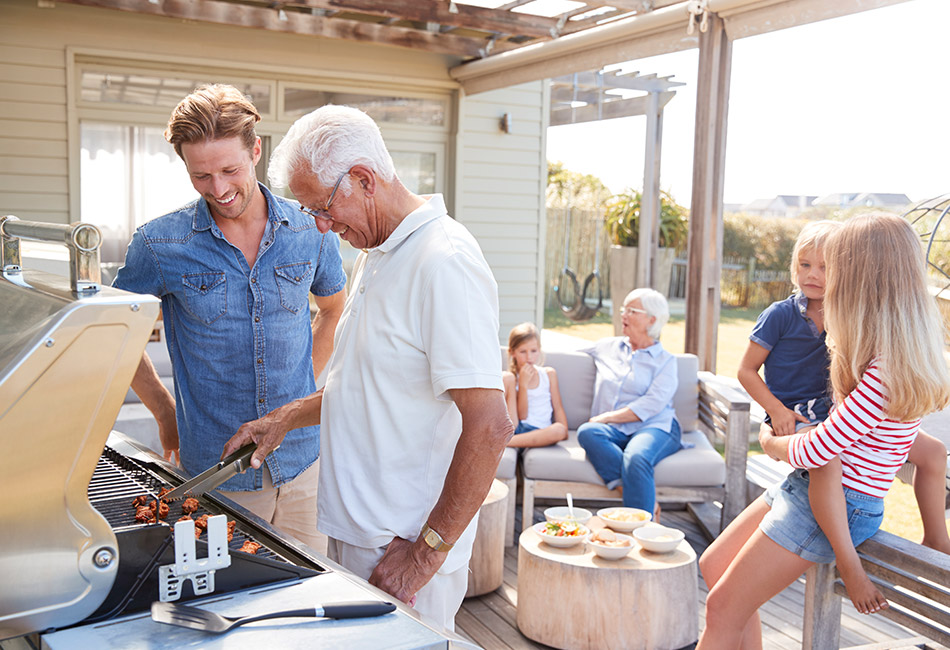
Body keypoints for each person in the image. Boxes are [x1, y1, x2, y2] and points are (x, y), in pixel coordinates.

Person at [221, 104, 512, 631]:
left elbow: (491, 425)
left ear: (362, 179)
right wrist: (282, 419)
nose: (322, 227)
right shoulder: (376, 253)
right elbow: (365, 387)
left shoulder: (444, 261)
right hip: (357, 534)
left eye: (324, 209)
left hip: (400, 549)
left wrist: (423, 556)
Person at [698, 214, 950, 649]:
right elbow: (921, 449)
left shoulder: (885, 368)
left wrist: (771, 442)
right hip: (810, 491)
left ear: (862, 280)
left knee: (722, 607)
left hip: (835, 507)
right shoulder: (885, 349)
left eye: (835, 267)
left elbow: (820, 450)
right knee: (713, 566)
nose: (824, 280)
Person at [113, 84, 346, 553]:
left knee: (313, 599)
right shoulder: (160, 245)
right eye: (200, 175)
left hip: (303, 461)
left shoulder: (310, 229)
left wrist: (297, 405)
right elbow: (112, 338)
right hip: (217, 474)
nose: (218, 189)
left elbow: (333, 309)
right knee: (235, 604)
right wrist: (163, 411)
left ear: (256, 150)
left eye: (229, 170)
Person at [576, 287, 681, 520]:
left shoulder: (666, 362)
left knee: (636, 457)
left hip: (655, 427)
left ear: (651, 320)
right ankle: (640, 496)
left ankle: (639, 532)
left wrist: (607, 417)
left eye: (631, 311)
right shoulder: (607, 347)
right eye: (623, 309)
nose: (623, 315)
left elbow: (651, 405)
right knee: (587, 432)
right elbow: (562, 354)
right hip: (614, 431)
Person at [503, 322, 569, 448]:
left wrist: (564, 430)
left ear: (539, 349)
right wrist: (523, 385)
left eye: (534, 351)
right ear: (512, 352)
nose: (529, 357)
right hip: (518, 427)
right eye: (523, 351)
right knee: (506, 377)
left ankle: (505, 443)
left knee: (559, 430)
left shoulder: (548, 374)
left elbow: (558, 407)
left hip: (543, 432)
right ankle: (505, 441)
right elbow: (522, 416)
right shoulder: (513, 379)